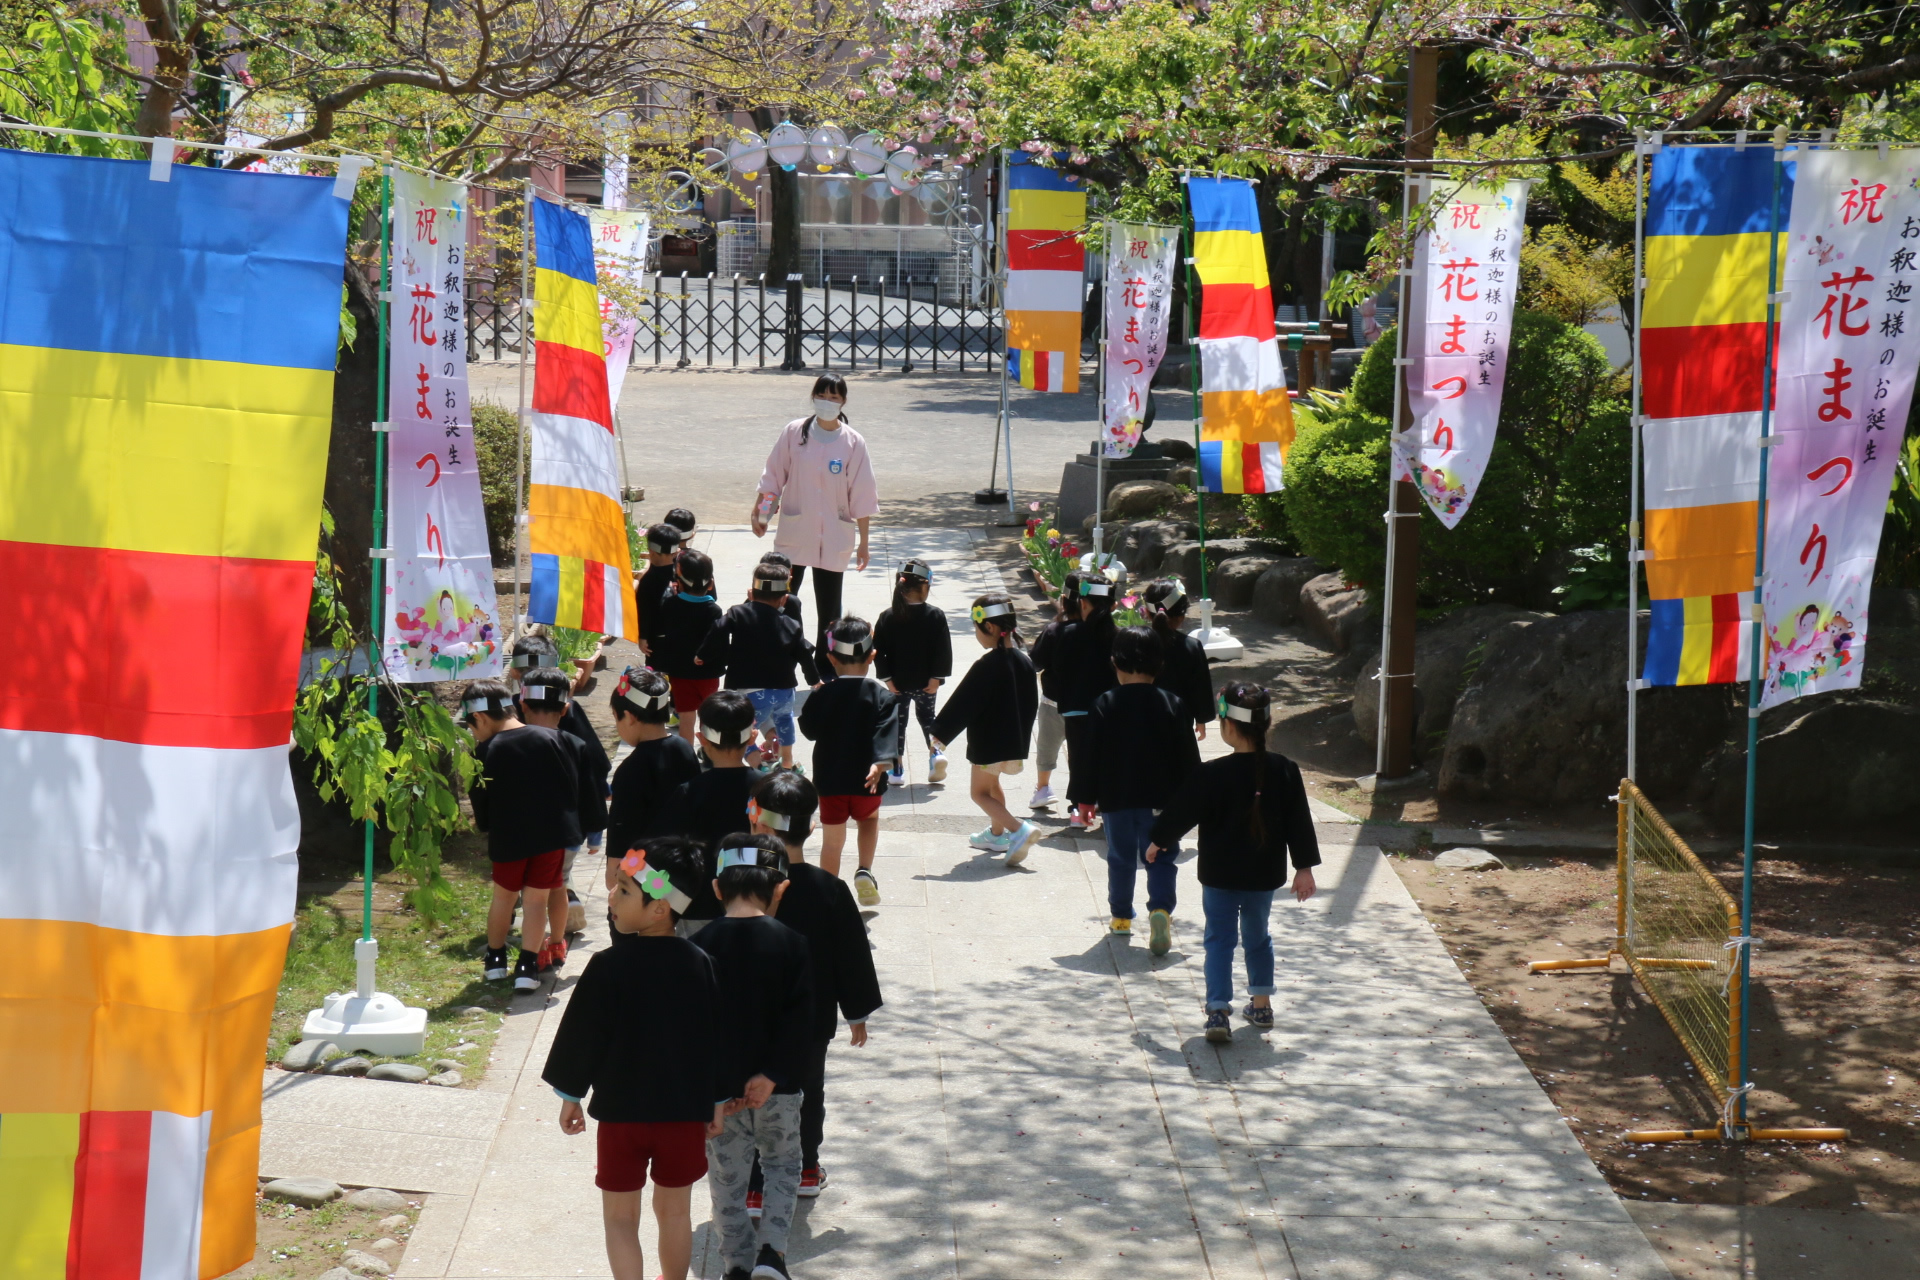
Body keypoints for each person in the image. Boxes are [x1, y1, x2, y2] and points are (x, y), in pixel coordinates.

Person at [542, 842, 723, 1280]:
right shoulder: (701, 965)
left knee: (620, 1218)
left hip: (622, 1117)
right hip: (681, 1116)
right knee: (675, 1212)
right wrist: (715, 1101)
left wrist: (571, 1095)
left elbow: (584, 1036)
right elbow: (717, 1040)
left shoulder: (608, 966)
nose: (611, 896)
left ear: (659, 907)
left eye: (624, 890)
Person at [1146, 683, 1320, 1043]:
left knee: (1219, 940)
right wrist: (1304, 868)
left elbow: (1182, 812)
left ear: (1227, 726)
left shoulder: (1212, 774)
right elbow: (1299, 822)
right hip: (1263, 874)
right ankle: (1260, 1005)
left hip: (1220, 873)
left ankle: (1217, 1012)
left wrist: (1159, 840)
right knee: (1258, 937)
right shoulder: (1285, 770)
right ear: (1267, 723)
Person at [744, 771, 881, 1210]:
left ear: (761, 825)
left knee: (746, 1094)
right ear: (811, 822)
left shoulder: (741, 887)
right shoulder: (830, 890)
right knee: (806, 1091)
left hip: (750, 1013)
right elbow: (851, 955)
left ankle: (753, 1181)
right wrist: (856, 1011)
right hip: (811, 1020)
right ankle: (806, 1165)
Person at [694, 836, 814, 1280]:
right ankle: (772, 1257)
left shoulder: (700, 945)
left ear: (717, 888)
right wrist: (772, 1074)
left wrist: (717, 1089)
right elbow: (802, 1020)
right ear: (780, 889)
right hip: (777, 1090)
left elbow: (697, 1028)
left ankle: (737, 1266)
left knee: (726, 1181)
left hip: (720, 1099)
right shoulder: (792, 943)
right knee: (782, 1165)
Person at [1083, 627, 1200, 955]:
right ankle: (1160, 910)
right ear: (1159, 665)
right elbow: (1188, 760)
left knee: (1120, 857)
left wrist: (1084, 798)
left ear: (1114, 663)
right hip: (1162, 801)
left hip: (1117, 799)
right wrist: (1193, 799)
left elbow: (1089, 755)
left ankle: (1121, 917)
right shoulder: (1173, 704)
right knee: (1161, 856)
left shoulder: (1104, 703)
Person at [462, 678, 580, 990]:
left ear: (481, 718)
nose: (474, 734)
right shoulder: (551, 738)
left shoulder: (485, 751)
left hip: (508, 837)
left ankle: (495, 960)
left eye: (472, 727)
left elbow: (480, 799)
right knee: (537, 900)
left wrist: (487, 825)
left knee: (504, 897)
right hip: (551, 835)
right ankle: (528, 967)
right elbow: (570, 784)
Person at [750, 373, 879, 651]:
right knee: (782, 598)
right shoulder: (794, 433)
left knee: (830, 608)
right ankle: (782, 652)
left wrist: (864, 543)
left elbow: (862, 494)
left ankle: (826, 663)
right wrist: (762, 513)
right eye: (822, 396)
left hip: (835, 534)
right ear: (813, 397)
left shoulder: (853, 442)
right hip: (796, 531)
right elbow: (773, 477)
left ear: (843, 402)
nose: (827, 402)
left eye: (834, 397)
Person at [929, 594, 1041, 865]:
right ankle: (996, 834)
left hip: (989, 742)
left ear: (989, 627)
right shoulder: (1024, 661)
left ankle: (1018, 830)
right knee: (992, 787)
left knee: (978, 793)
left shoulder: (987, 666)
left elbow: (964, 703)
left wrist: (940, 734)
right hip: (1013, 739)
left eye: (976, 628)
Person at [797, 616, 899, 903]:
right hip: (868, 779)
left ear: (830, 658)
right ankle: (864, 870)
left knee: (832, 841)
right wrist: (880, 763)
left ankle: (828, 892)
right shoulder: (882, 695)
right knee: (869, 820)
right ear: (873, 656)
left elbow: (808, 729)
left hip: (830, 780)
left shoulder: (824, 693)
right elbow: (887, 731)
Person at [516, 665, 610, 966]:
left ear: (522, 704)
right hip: (570, 829)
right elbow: (595, 771)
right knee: (558, 880)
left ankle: (539, 941)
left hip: (528, 831)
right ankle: (563, 922)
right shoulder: (577, 740)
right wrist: (596, 828)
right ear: (566, 706)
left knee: (534, 891)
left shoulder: (513, 740)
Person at [697, 561, 820, 772]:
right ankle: (788, 763)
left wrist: (704, 654)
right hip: (783, 692)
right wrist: (814, 680)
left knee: (741, 730)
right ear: (784, 598)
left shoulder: (738, 613)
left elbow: (718, 629)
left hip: (749, 690)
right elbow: (804, 653)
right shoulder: (791, 624)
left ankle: (758, 766)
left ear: (752, 592)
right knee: (784, 722)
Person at [661, 690, 760, 936]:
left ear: (701, 738)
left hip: (698, 907)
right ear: (751, 738)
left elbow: (660, 850)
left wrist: (671, 901)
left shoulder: (689, 793)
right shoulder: (766, 790)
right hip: (757, 903)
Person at [605, 667, 701, 885]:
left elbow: (620, 838)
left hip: (644, 878)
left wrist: (613, 880)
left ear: (629, 717)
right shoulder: (684, 750)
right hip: (684, 869)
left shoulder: (630, 770)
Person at [872, 558, 952, 786]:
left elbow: (879, 651)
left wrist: (887, 680)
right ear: (925, 586)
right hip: (926, 683)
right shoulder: (935, 615)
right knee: (928, 718)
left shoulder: (887, 617)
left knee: (898, 723)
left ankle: (896, 769)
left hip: (898, 684)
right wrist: (937, 677)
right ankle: (936, 753)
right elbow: (943, 650)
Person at [1058, 574, 1118, 830]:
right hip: (1110, 708)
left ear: (1082, 603)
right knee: (1107, 756)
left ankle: (1078, 806)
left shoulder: (1067, 633)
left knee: (1079, 758)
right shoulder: (1119, 635)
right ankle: (1106, 802)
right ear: (1113, 606)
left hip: (1075, 706)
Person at [654, 548, 724, 745]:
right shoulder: (714, 610)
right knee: (708, 717)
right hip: (708, 673)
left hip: (680, 672)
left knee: (686, 718)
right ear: (710, 583)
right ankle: (710, 753)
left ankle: (686, 756)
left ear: (678, 582)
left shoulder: (670, 605)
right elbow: (717, 641)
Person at [1025, 570, 1079, 811]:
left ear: (1064, 600)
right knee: (1082, 753)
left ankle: (1043, 788)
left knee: (1047, 747)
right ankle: (1085, 795)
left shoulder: (1054, 630)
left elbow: (1035, 661)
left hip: (1053, 701)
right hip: (1089, 705)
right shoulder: (1103, 633)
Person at [1141, 579, 1216, 740]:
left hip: (1141, 721)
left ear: (1147, 613)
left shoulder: (1137, 642)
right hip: (1180, 723)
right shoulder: (1192, 646)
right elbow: (1200, 686)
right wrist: (1202, 719)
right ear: (1182, 615)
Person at [635, 522, 685, 658]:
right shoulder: (683, 573)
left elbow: (644, 611)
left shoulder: (647, 580)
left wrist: (643, 637)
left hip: (657, 640)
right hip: (682, 637)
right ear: (676, 551)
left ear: (650, 551)